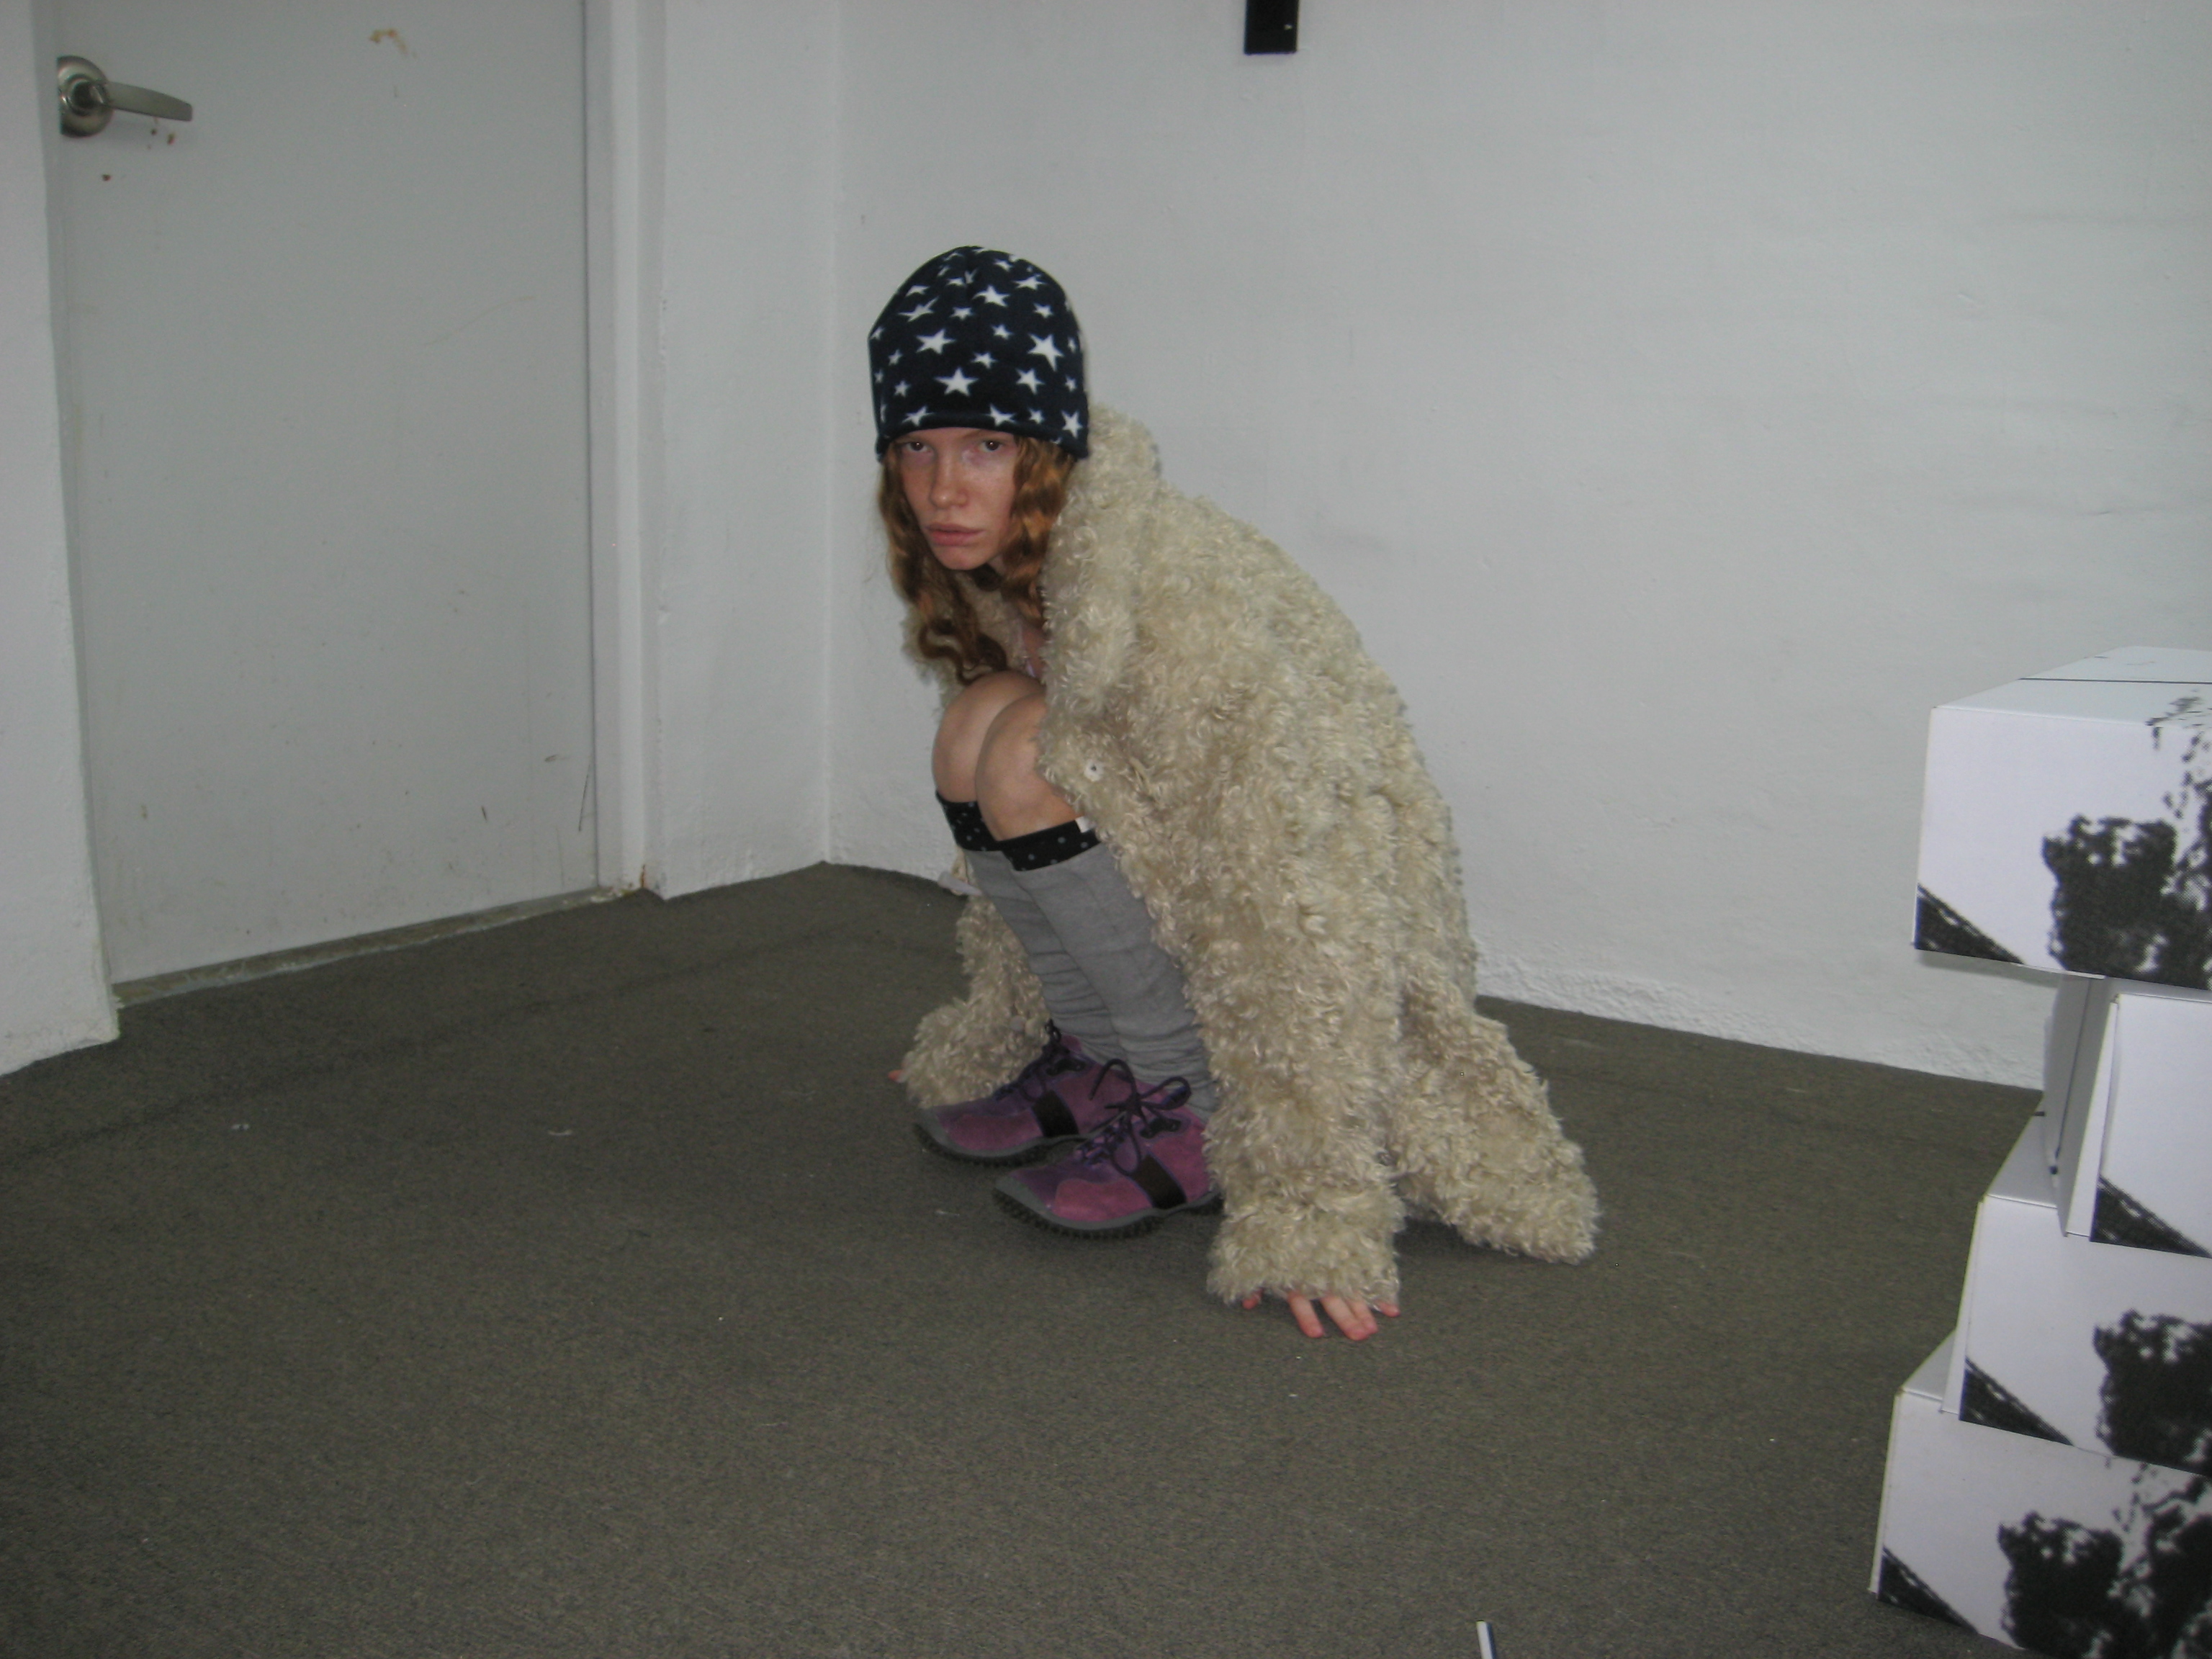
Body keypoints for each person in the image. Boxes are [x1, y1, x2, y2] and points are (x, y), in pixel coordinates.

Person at [874, 247, 1598, 1341]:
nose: (944, 488)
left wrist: (1311, 1200)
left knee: (1024, 749)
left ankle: (1186, 1104)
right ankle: (1097, 1058)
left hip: (1315, 899)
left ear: (1047, 449)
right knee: (976, 723)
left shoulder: (1180, 615)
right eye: (917, 447)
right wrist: (999, 1022)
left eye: (986, 446)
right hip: (1192, 877)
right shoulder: (1012, 568)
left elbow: (1296, 908)